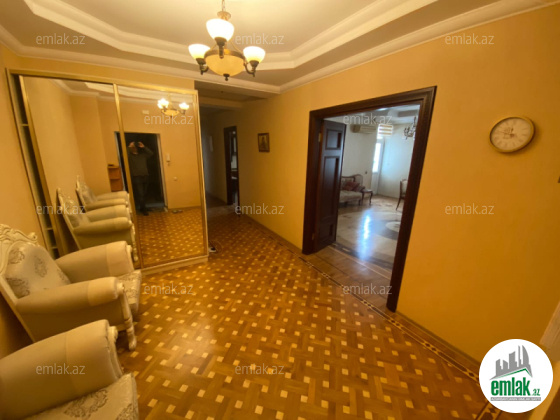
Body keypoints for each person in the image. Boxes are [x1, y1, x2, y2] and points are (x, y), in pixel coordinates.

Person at [127, 141, 153, 216]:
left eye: (135, 147)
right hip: (137, 177)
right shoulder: (130, 156)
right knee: (140, 194)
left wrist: (144, 147)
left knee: (144, 193)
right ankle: (143, 209)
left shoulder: (142, 155)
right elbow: (124, 155)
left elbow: (151, 153)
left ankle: (143, 207)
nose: (134, 148)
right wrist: (129, 147)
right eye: (133, 147)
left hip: (145, 176)